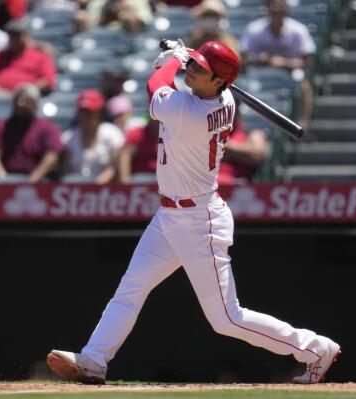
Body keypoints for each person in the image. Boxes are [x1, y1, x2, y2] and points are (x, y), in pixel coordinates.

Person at [46, 41, 340, 384]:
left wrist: (172, 60)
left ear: (218, 82)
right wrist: (187, 57)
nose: (193, 70)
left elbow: (155, 86)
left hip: (199, 222)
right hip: (170, 215)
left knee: (227, 318)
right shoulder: (223, 99)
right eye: (194, 65)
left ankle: (315, 348)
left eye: (201, 69)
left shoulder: (189, 110)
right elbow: (184, 78)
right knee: (132, 287)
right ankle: (94, 359)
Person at [239, 0, 316, 129]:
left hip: (290, 73)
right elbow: (244, 57)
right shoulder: (254, 29)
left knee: (304, 85)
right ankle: (242, 125)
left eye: (280, 5)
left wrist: (283, 62)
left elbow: (307, 61)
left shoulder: (298, 30)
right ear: (267, 7)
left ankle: (303, 123)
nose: (276, 9)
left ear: (286, 8)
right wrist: (259, 58)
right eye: (273, 5)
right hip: (260, 74)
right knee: (241, 85)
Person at [0, 84, 62, 182]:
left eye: (26, 101)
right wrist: (3, 179)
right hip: (5, 178)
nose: (20, 104)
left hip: (38, 180)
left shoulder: (48, 128)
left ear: (35, 104)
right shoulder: (0, 127)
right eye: (17, 100)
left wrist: (33, 179)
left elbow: (51, 156)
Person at [0, 18, 57, 95]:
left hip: (27, 99)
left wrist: (28, 90)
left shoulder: (40, 57)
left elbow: (48, 80)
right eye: (12, 35)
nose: (14, 38)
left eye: (17, 35)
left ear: (26, 36)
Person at [60, 89, 124, 184]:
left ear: (99, 112)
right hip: (74, 190)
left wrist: (95, 186)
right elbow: (65, 170)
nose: (85, 116)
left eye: (90, 112)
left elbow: (114, 166)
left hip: (106, 190)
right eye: (82, 111)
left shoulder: (112, 133)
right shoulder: (67, 137)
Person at [118, 118, 158, 183]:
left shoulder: (175, 134)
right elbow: (125, 156)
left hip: (167, 179)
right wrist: (125, 185)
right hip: (140, 178)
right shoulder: (138, 133)